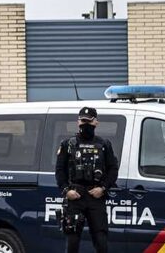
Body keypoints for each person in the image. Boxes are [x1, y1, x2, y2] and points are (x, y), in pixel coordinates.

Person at [55, 107, 119, 253]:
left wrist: (103, 188)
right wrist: (66, 191)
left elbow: (113, 170)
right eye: (82, 121)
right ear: (78, 122)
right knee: (72, 242)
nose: (85, 124)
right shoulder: (68, 145)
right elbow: (59, 171)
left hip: (95, 196)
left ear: (96, 122)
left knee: (101, 241)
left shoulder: (104, 145)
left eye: (89, 121)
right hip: (75, 196)